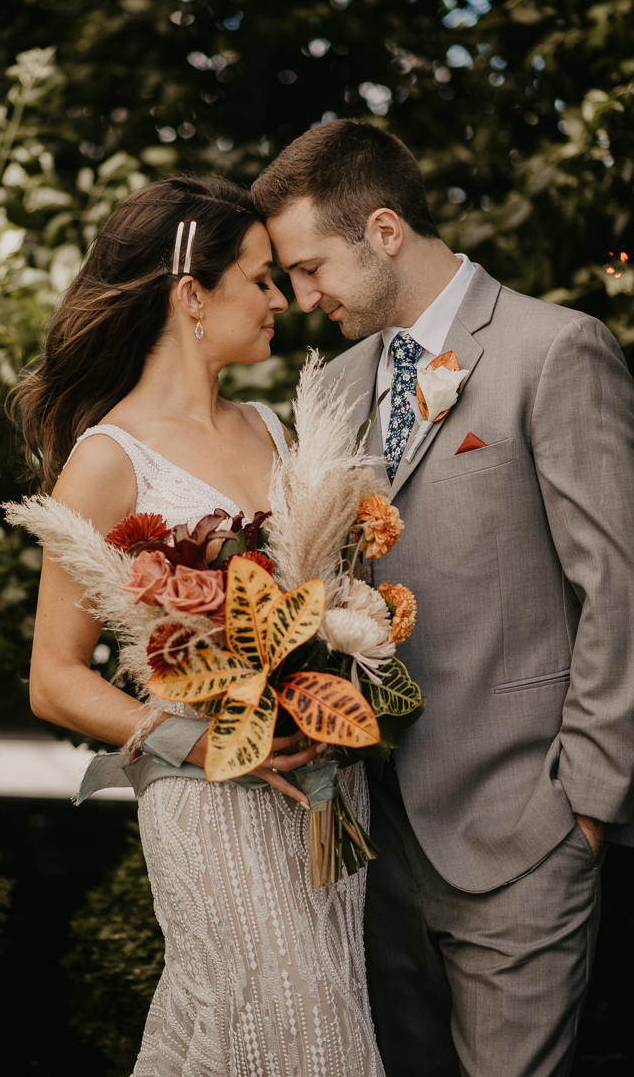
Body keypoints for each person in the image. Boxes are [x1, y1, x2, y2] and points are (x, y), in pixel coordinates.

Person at [252, 119, 634, 1077]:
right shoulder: (335, 389)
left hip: (523, 833)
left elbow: (618, 589)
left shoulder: (555, 351)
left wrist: (583, 806)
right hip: (371, 850)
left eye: (309, 269)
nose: (303, 299)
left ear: (384, 230)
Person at [13, 176, 385, 1076]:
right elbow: (54, 681)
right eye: (258, 279)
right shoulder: (107, 460)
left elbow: (318, 592)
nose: (279, 301)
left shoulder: (272, 428)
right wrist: (210, 742)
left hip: (324, 798)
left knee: (246, 1033)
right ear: (191, 295)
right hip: (211, 799)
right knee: (312, 1048)